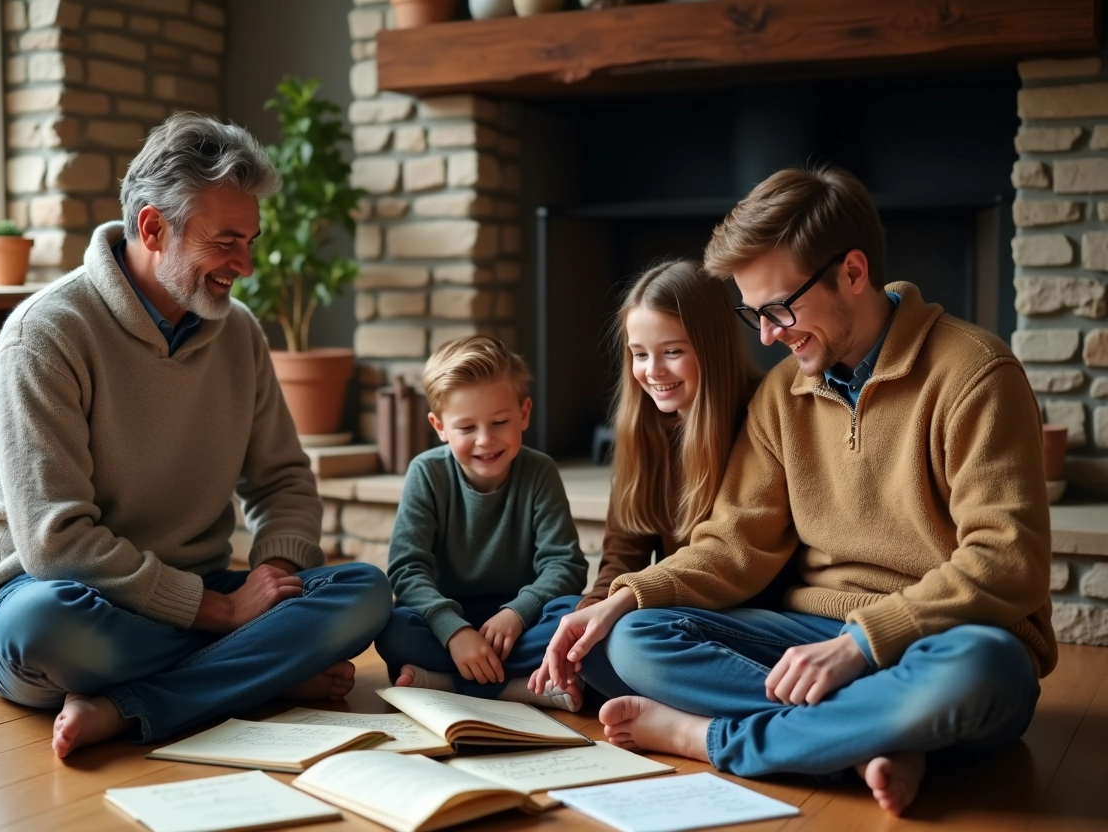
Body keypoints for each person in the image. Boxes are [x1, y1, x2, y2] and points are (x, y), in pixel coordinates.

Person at [534, 165, 1054, 815]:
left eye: (779, 308)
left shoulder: (976, 374)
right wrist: (629, 595)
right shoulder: (783, 394)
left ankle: (719, 737)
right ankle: (875, 739)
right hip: (805, 634)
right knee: (629, 638)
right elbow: (734, 543)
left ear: (853, 273)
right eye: (752, 313)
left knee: (984, 674)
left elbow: (1008, 562)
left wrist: (862, 644)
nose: (767, 336)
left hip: (942, 641)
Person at [0, 113, 392, 759]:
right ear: (153, 228)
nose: (244, 265)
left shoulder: (240, 333)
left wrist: (271, 584)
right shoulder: (44, 337)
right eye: (225, 242)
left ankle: (136, 705)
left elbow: (282, 482)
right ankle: (257, 670)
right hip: (64, 603)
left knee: (366, 593)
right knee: (43, 627)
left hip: (191, 593)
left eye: (251, 240)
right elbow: (57, 542)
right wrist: (223, 617)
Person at [373, 335, 589, 711]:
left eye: (500, 422)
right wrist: (453, 631)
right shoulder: (426, 472)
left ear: (523, 413)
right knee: (394, 630)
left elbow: (565, 565)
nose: (485, 440)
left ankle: (442, 683)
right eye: (467, 428)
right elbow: (407, 569)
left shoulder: (540, 472)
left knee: (573, 615)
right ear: (439, 426)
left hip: (518, 619)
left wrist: (517, 613)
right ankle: (519, 687)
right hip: (447, 615)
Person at [575, 260, 761, 611]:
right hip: (666, 611)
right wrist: (589, 617)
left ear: (712, 346)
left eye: (672, 351)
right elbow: (622, 560)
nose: (653, 371)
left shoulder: (763, 418)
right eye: (639, 354)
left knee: (633, 634)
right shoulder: (645, 431)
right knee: (564, 613)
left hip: (745, 614)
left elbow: (741, 558)